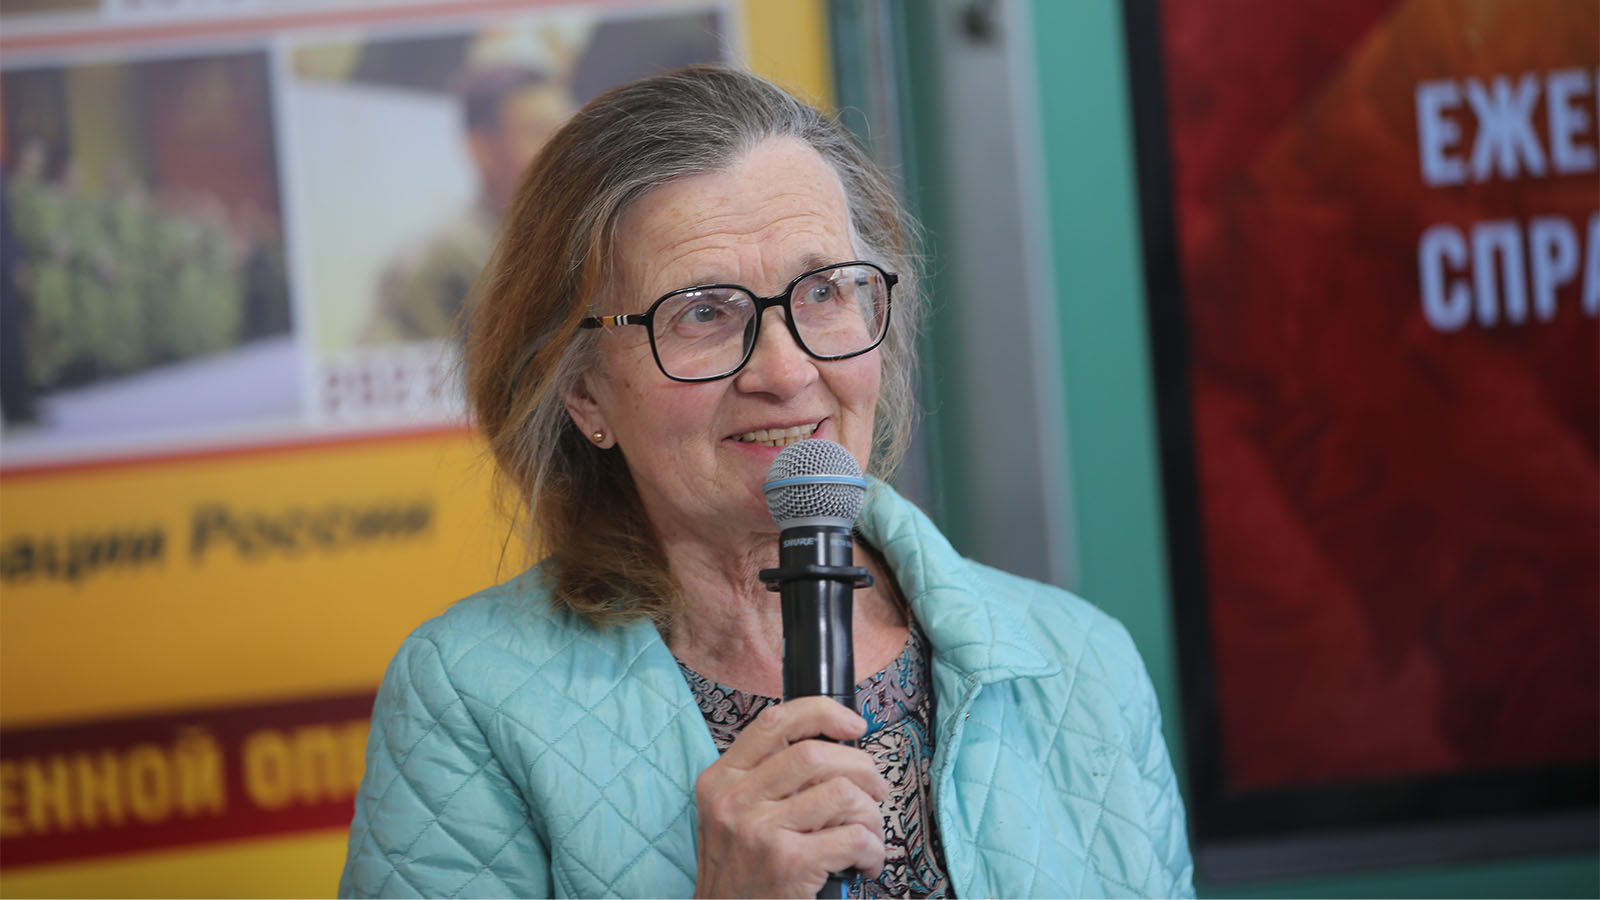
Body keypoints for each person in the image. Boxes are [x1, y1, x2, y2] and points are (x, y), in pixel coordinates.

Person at [339, 65, 1193, 898]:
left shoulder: (1081, 661)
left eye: (824, 291)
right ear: (584, 391)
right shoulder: (469, 697)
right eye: (703, 313)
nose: (786, 372)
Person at [361, 62, 574, 344]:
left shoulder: (595, 232)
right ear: (482, 148)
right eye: (538, 132)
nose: (562, 147)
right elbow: (390, 359)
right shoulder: (439, 260)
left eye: (569, 130)